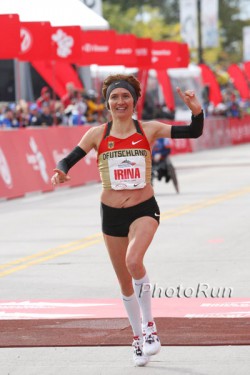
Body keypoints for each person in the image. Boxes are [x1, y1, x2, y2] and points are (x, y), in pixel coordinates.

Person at [51, 74, 204, 367]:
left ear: (134, 101)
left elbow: (193, 132)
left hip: (144, 208)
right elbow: (66, 160)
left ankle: (149, 327)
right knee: (124, 282)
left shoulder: (149, 129)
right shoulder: (97, 134)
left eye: (125, 97)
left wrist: (196, 109)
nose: (120, 102)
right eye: (114, 98)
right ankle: (136, 338)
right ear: (107, 103)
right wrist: (60, 172)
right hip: (111, 215)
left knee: (135, 261)